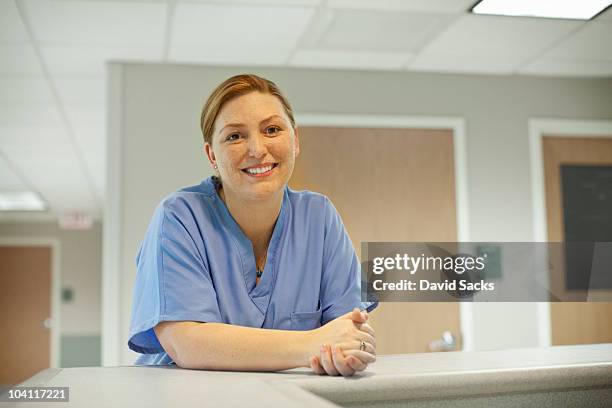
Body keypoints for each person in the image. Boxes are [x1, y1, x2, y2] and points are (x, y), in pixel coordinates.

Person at [128, 74, 377, 376]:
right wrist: (313, 344)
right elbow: (186, 343)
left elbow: (349, 329)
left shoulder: (319, 217)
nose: (257, 149)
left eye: (272, 130)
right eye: (235, 136)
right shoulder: (180, 217)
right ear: (212, 156)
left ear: (295, 141)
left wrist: (353, 351)